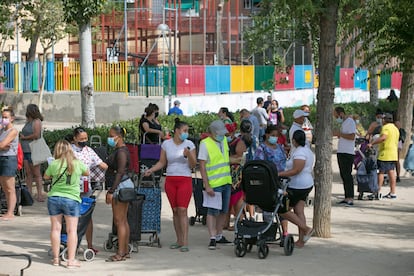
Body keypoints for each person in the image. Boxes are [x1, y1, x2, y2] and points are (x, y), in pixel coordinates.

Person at [144, 118, 196, 252]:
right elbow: (162, 162)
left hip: (184, 178)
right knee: (175, 211)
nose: (186, 133)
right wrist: (152, 169)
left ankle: (185, 241)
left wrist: (189, 154)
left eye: (187, 131)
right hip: (171, 179)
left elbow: (193, 165)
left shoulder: (189, 144)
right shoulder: (167, 144)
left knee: (183, 210)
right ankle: (178, 240)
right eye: (184, 131)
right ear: (177, 131)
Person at [44, 140, 89, 268]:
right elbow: (87, 173)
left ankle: (56, 259)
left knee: (55, 229)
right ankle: (71, 260)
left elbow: (46, 177)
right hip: (71, 199)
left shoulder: (54, 164)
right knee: (71, 230)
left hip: (54, 198)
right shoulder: (77, 163)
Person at [71, 127, 108, 254]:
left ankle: (90, 245)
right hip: (71, 188)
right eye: (81, 139)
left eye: (86, 138)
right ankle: (72, 244)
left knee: (87, 217)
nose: (84, 141)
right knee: (72, 217)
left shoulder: (89, 150)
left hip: (86, 187)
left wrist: (113, 167)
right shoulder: (69, 150)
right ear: (75, 138)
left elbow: (100, 163)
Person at [198, 120, 232, 249]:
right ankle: (212, 237)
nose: (222, 135)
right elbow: (202, 166)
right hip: (213, 183)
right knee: (212, 211)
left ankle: (219, 235)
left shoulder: (223, 141)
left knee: (224, 210)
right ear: (212, 133)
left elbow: (225, 160)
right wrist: (207, 185)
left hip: (226, 181)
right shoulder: (205, 144)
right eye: (219, 133)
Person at [278, 130, 314, 248]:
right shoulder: (307, 151)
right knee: (299, 211)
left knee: (283, 210)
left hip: (298, 185)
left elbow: (296, 170)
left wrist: (279, 174)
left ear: (294, 140)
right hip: (305, 184)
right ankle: (301, 240)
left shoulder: (300, 153)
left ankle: (306, 229)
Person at [105, 126, 134, 261]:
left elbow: (120, 172)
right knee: (123, 220)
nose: (110, 138)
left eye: (111, 135)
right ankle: (125, 250)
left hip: (120, 186)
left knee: (119, 221)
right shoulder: (120, 150)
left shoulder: (121, 152)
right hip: (123, 184)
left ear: (119, 136)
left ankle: (121, 252)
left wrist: (111, 191)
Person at [253, 125, 288, 236]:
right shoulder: (262, 148)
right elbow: (259, 165)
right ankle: (268, 231)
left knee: (282, 207)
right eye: (272, 135)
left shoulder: (280, 147)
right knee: (268, 207)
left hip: (281, 180)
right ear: (267, 135)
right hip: (268, 181)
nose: (275, 138)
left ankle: (285, 232)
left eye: (276, 136)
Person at [226, 120, 253, 230]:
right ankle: (228, 222)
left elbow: (239, 158)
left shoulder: (238, 142)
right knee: (230, 198)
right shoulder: (228, 142)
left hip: (236, 174)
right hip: (229, 173)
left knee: (237, 197)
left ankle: (240, 220)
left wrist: (226, 160)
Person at [368, 113, 399, 199]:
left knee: (381, 172)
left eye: (382, 119)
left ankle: (377, 191)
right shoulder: (395, 128)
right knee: (391, 172)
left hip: (385, 153)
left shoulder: (386, 128)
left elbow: (383, 138)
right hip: (393, 153)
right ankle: (393, 192)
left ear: (385, 120)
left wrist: (372, 143)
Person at [20, 104, 44, 202]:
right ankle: (29, 194)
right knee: (28, 173)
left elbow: (36, 135)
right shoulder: (28, 121)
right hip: (25, 150)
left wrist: (24, 138)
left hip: (33, 150)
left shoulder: (37, 121)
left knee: (37, 174)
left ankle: (40, 194)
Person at [333, 106, 357, 206]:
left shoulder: (350, 122)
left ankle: (350, 197)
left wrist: (340, 134)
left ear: (341, 113)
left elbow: (352, 136)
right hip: (342, 151)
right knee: (343, 175)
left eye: (336, 115)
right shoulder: (344, 122)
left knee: (347, 175)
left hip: (347, 152)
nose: (336, 118)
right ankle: (347, 196)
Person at [0, 107, 19, 221]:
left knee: (9, 187)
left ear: (12, 118)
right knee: (4, 187)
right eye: (2, 117)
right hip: (2, 157)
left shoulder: (13, 131)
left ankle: (10, 212)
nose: (4, 119)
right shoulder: (2, 130)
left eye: (6, 117)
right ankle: (7, 210)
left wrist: (3, 145)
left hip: (8, 159)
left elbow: (3, 145)